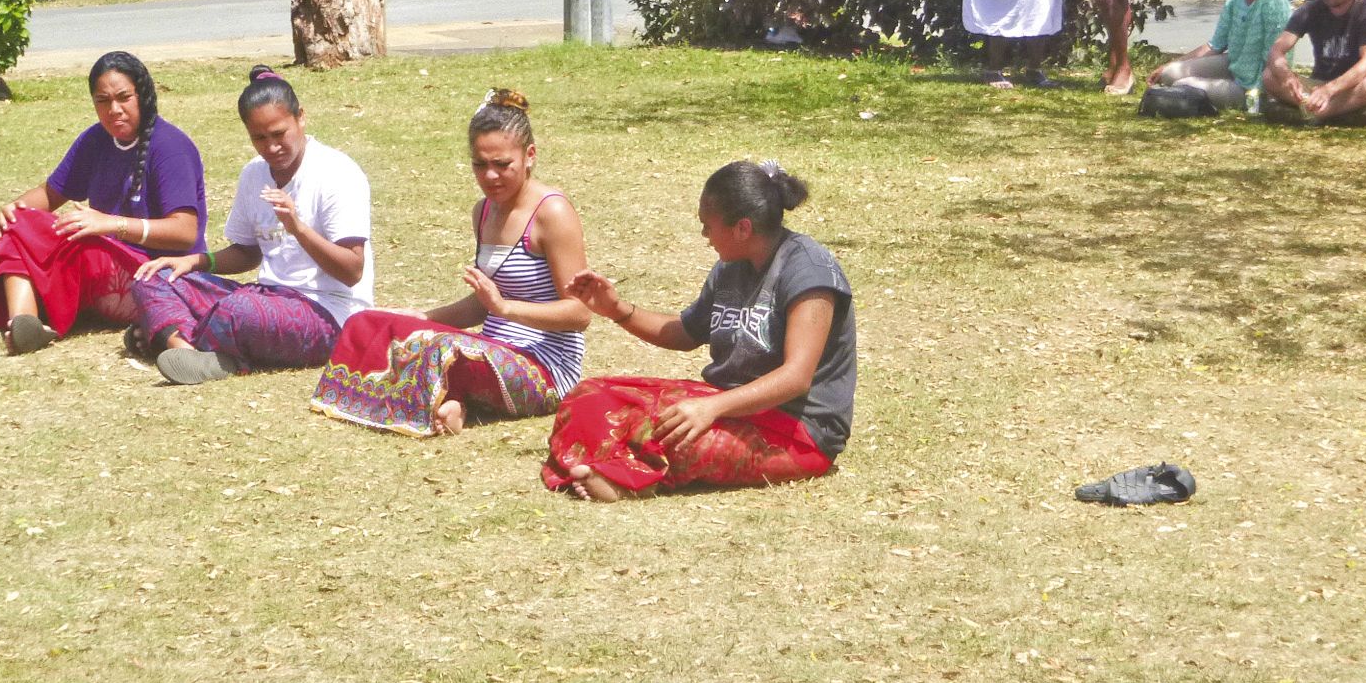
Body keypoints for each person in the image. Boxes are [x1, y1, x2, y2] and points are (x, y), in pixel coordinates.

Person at [542, 161, 854, 502]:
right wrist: (617, 310)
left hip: (797, 432)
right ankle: (607, 466)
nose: (705, 237)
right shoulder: (731, 266)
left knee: (675, 437)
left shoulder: (809, 272)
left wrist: (712, 407)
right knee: (592, 393)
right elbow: (686, 332)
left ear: (742, 228)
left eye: (707, 226)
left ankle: (623, 476)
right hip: (728, 407)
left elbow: (796, 377)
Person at [311, 89, 592, 435]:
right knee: (370, 321)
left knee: (439, 347)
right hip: (488, 351)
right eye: (480, 165)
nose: (490, 176)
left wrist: (505, 309)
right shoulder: (483, 211)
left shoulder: (552, 213)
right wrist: (421, 317)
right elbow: (480, 306)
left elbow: (580, 314)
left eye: (502, 165)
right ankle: (451, 399)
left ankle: (449, 398)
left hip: (545, 369)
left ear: (530, 155)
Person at [129, 65, 373, 385]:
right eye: (259, 138)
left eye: (279, 134)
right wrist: (193, 262)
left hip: (329, 314)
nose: (271, 147)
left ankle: (166, 334)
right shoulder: (255, 173)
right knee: (154, 277)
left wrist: (298, 227)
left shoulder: (337, 173)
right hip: (267, 298)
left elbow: (352, 270)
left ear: (301, 118)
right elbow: (247, 252)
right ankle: (186, 348)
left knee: (240, 310)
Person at [0, 51, 206, 354]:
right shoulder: (95, 140)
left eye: (123, 98)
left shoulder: (171, 147)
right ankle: (24, 323)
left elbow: (185, 232)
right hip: (105, 261)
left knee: (70, 245)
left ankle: (6, 301)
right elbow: (51, 195)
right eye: (102, 101)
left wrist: (111, 225)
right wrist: (13, 210)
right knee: (23, 220)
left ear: (142, 95)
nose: (114, 110)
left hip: (158, 277)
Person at [1148, 0, 1293, 111]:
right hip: (1233, 66)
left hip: (1254, 87)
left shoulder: (1274, 0)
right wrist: (1171, 64)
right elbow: (1214, 45)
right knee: (1170, 74)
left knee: (1183, 84)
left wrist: (1258, 94)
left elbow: (1275, 56)